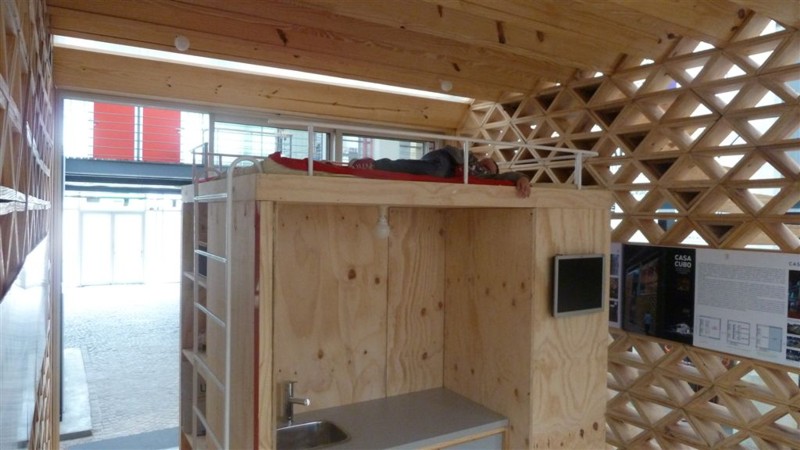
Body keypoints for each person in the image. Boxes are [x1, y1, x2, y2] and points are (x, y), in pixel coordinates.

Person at [349, 145, 531, 197]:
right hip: (445, 159)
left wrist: (522, 177)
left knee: (425, 171)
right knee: (436, 170)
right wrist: (464, 163)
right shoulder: (470, 157)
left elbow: (505, 177)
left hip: (447, 172)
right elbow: (454, 151)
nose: (488, 165)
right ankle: (375, 164)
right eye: (488, 161)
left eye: (491, 167)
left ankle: (374, 165)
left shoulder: (485, 176)